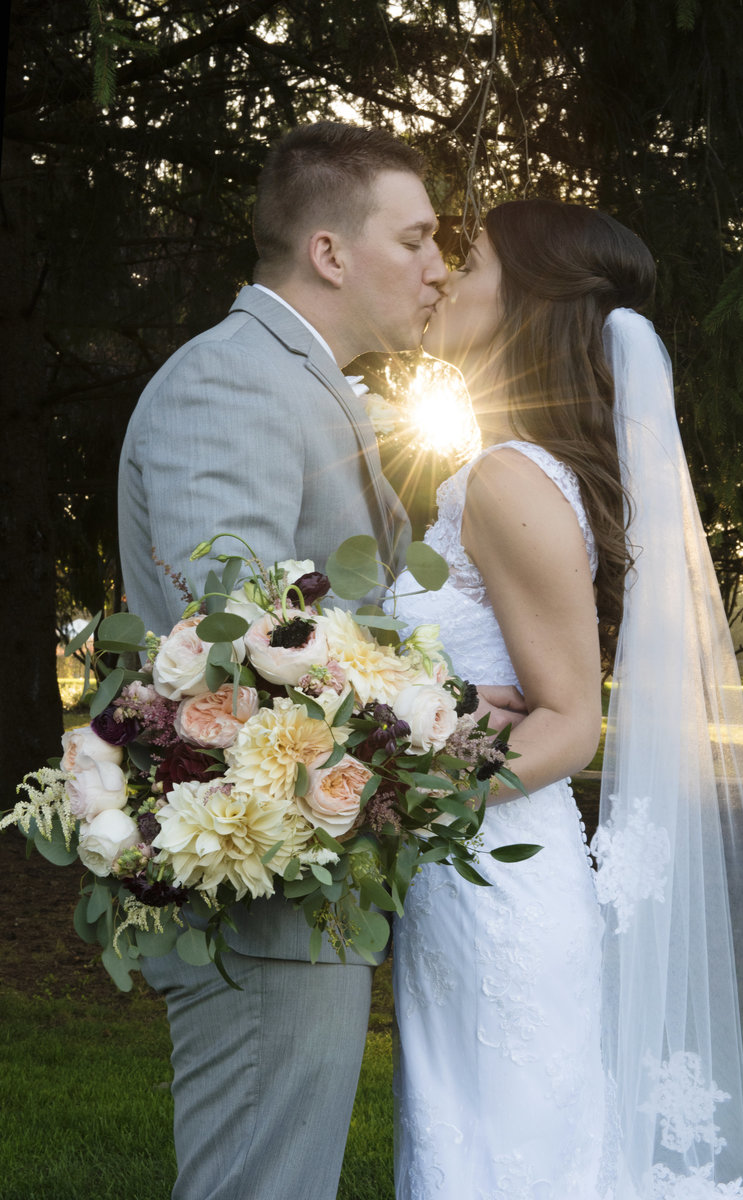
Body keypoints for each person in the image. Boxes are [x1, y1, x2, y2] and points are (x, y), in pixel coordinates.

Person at [390, 199, 743, 1199]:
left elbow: (569, 724)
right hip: (473, 886)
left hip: (495, 886)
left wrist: (401, 810)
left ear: (530, 302)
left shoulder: (505, 480)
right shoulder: (500, 473)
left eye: (472, 260)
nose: (444, 275)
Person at [117, 121, 448, 1200]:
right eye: (417, 239)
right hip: (260, 899)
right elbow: (238, 642)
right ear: (330, 252)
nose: (439, 268)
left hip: (304, 892)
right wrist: (427, 702)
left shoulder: (307, 385)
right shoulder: (236, 382)